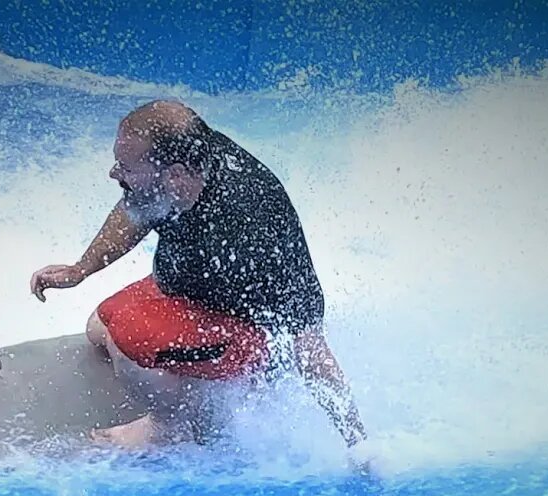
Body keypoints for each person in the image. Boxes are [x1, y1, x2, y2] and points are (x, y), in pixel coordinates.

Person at [30, 99, 367, 457]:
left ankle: (168, 428)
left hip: (241, 335)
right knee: (98, 328)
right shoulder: (182, 162)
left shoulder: (253, 227)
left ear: (174, 176)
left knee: (125, 334)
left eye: (125, 166)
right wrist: (80, 269)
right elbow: (133, 210)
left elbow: (310, 347)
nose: (114, 173)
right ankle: (177, 381)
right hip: (189, 292)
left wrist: (358, 444)